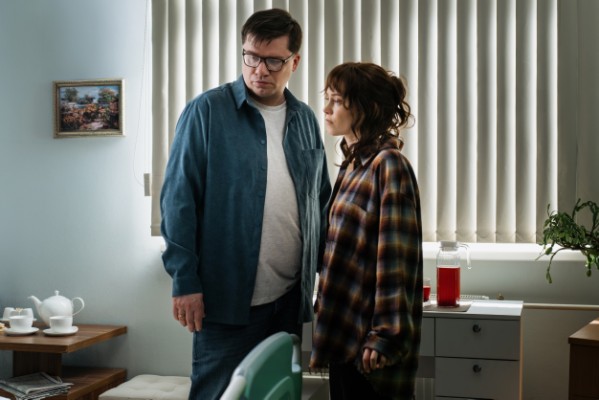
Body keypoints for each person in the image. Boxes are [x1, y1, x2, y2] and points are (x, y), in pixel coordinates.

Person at [160, 8, 331, 400]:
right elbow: (177, 201)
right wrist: (185, 282)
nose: (260, 70)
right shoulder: (207, 111)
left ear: (294, 62)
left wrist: (328, 280)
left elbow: (320, 204)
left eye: (274, 61)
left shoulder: (305, 119)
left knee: (277, 394)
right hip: (227, 302)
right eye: (251, 57)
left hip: (288, 302)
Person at [310, 62, 423, 400]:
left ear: (366, 108)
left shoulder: (388, 165)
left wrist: (384, 336)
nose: (326, 109)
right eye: (327, 99)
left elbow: (395, 260)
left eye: (337, 101)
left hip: (370, 348)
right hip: (344, 335)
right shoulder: (351, 166)